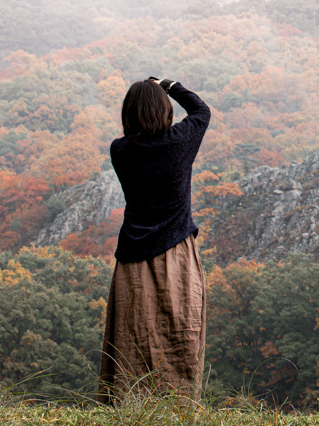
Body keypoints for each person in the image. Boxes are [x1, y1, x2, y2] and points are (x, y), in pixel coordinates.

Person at [98, 76, 211, 403]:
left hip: (132, 259)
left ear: (128, 114)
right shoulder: (179, 142)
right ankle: (178, 405)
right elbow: (201, 111)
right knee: (179, 335)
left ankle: (130, 405)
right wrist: (170, 85)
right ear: (164, 111)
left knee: (134, 335)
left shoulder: (120, 151)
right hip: (177, 256)